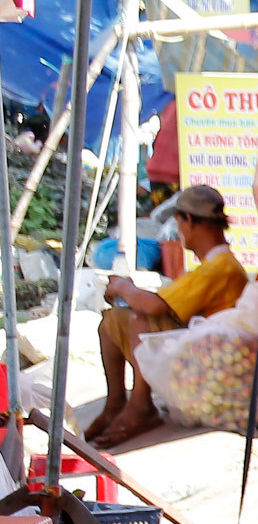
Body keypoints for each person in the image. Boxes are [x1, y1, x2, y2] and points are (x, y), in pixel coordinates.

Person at [86, 182, 248, 447]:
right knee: (112, 321)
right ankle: (116, 403)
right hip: (206, 356)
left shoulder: (220, 268)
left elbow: (154, 307)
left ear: (187, 221)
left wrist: (123, 286)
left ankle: (140, 405)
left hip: (212, 367)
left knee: (142, 319)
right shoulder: (216, 266)